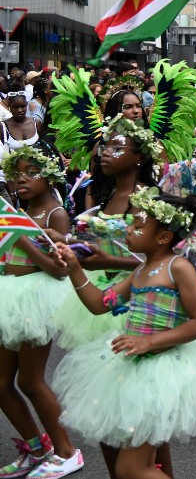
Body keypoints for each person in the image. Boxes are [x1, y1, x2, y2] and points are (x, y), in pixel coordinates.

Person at [52, 191, 196, 479]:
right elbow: (99, 304)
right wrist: (75, 269)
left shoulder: (177, 267)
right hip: (129, 368)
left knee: (131, 467)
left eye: (138, 226)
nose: (128, 229)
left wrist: (148, 342)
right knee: (128, 457)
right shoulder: (142, 269)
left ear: (164, 237)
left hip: (162, 371)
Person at [0, 148, 81, 479]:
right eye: (17, 174)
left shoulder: (55, 213)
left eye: (31, 173)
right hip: (9, 297)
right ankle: (36, 449)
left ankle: (67, 452)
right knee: (1, 383)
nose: (21, 179)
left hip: (37, 299)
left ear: (49, 178)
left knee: (30, 380)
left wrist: (22, 240)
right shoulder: (19, 211)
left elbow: (60, 271)